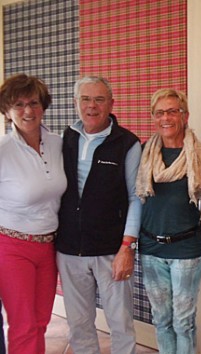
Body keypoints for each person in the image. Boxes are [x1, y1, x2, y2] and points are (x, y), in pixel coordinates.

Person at [56, 76, 141, 354]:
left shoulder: (127, 143)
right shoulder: (63, 140)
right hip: (69, 250)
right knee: (79, 325)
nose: (92, 106)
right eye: (85, 99)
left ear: (111, 104)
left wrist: (127, 246)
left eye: (99, 99)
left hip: (110, 250)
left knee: (120, 323)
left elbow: (135, 198)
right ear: (75, 103)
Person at [136, 88, 201, 354]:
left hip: (186, 249)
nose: (166, 118)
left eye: (172, 111)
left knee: (183, 322)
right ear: (153, 117)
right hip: (150, 248)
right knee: (161, 320)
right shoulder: (143, 153)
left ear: (185, 116)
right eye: (159, 112)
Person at [0, 74, 67, 353]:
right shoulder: (2, 150)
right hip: (12, 248)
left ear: (43, 106)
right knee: (24, 324)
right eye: (18, 104)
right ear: (7, 110)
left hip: (48, 246)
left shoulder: (58, 143)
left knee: (40, 321)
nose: (28, 111)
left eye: (34, 103)